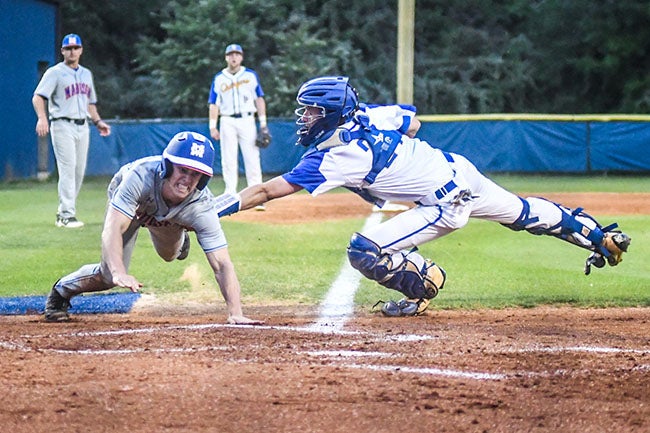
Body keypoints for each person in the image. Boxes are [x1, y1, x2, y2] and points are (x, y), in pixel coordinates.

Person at [214, 76, 631, 317]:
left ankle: (423, 284)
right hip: (457, 168)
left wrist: (217, 206)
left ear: (332, 115)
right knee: (521, 212)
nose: (303, 117)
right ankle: (599, 237)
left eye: (311, 111)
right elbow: (411, 123)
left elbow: (269, 190)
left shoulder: (338, 157)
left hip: (444, 204)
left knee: (364, 251)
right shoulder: (367, 115)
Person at [44, 131, 261, 325]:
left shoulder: (201, 206)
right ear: (167, 166)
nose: (187, 179)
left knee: (170, 255)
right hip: (132, 207)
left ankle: (179, 232)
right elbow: (113, 229)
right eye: (183, 169)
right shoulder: (138, 177)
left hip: (171, 214)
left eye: (195, 174)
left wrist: (236, 312)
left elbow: (222, 264)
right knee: (108, 276)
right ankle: (61, 292)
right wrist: (119, 271)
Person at [32, 33, 111, 228]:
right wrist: (42, 118)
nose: (72, 51)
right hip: (62, 124)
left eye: (76, 48)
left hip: (83, 125)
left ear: (81, 50)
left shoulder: (86, 74)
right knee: (67, 168)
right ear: (62, 51)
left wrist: (98, 121)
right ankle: (67, 215)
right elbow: (38, 96)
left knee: (78, 171)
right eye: (68, 48)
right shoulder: (55, 72)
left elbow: (90, 103)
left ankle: (64, 212)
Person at [208, 43, 269, 210]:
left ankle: (257, 195)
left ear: (241, 57)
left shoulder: (250, 75)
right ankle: (229, 194)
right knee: (228, 158)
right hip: (227, 120)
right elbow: (213, 103)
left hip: (247, 119)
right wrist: (213, 125)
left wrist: (263, 123)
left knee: (252, 157)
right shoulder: (219, 78)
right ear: (226, 57)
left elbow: (259, 99)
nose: (234, 57)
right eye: (231, 54)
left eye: (237, 54)